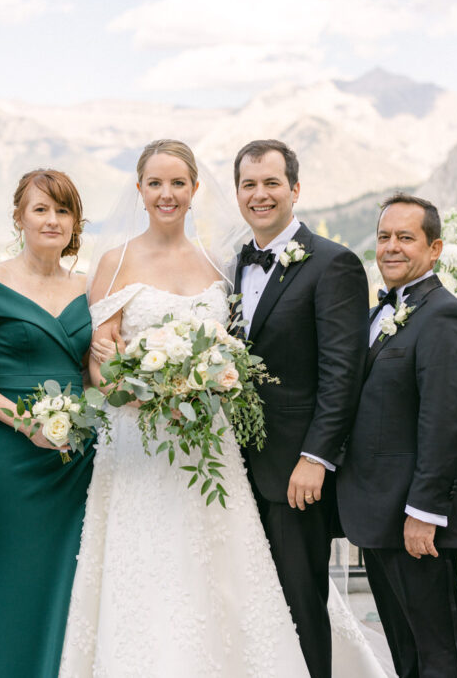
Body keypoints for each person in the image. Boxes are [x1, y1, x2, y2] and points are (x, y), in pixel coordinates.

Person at [60, 139, 387, 677]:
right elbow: (100, 363)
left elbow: (260, 357)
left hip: (211, 448)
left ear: (194, 191)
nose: (167, 193)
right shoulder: (115, 262)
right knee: (147, 576)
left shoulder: (219, 265)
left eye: (178, 183)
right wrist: (140, 389)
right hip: (139, 446)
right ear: (139, 190)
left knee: (228, 577)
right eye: (156, 183)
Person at [232, 139, 369, 678]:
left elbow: (343, 372)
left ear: (295, 189)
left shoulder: (334, 264)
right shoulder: (232, 266)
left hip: (295, 470)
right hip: (236, 465)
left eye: (271, 183)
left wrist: (316, 457)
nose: (260, 195)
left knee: (300, 602)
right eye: (249, 184)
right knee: (250, 602)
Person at [0, 169, 94, 677]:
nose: (52, 220)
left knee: (71, 591)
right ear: (19, 218)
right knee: (17, 589)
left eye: (62, 210)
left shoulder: (89, 287)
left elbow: (91, 372)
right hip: (12, 463)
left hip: (77, 464)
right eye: (40, 209)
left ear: (75, 221)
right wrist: (27, 423)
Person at [338, 193, 457, 677]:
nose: (391, 247)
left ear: (435, 248)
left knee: (442, 654)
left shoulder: (444, 315)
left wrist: (425, 513)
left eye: (405, 237)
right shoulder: (385, 312)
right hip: (379, 516)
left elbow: (444, 423)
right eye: (383, 237)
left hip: (417, 522)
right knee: (406, 654)